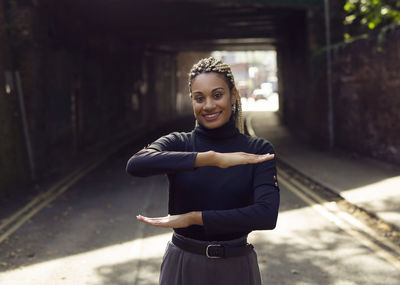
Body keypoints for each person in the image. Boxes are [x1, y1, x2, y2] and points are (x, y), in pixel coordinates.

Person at [126, 57, 280, 285]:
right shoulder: (180, 143)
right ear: (192, 101)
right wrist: (210, 159)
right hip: (183, 264)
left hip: (236, 267)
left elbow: (266, 215)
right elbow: (136, 164)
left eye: (217, 95)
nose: (208, 105)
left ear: (233, 95)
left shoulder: (257, 151)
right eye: (200, 98)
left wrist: (194, 218)